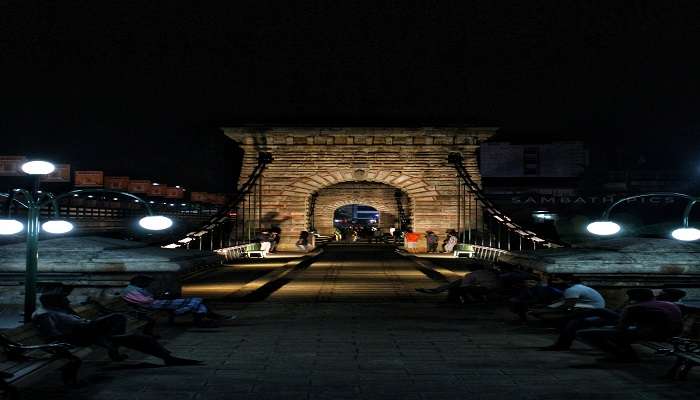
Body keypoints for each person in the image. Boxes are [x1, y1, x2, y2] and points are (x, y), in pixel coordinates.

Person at [33, 289, 202, 366]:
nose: (68, 302)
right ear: (56, 301)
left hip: (88, 332)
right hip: (80, 336)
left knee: (138, 337)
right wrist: (89, 334)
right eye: (65, 300)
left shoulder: (57, 310)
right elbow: (54, 335)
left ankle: (167, 357)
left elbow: (74, 321)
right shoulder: (46, 314)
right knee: (122, 323)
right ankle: (167, 358)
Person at [576, 288, 683, 361]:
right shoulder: (670, 304)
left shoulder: (632, 308)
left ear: (632, 298)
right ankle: (626, 352)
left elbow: (621, 328)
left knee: (584, 333)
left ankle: (623, 355)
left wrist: (607, 327)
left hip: (650, 334)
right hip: (673, 333)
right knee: (612, 327)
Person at [121, 275, 234, 326]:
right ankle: (202, 317)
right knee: (198, 300)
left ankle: (203, 317)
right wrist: (158, 296)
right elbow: (146, 301)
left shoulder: (134, 289)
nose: (147, 285)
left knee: (198, 303)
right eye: (146, 283)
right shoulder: (130, 290)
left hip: (154, 303)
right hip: (154, 305)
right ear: (139, 282)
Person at [416, 265, 504, 303]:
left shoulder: (471, 275)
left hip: (484, 288)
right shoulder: (489, 272)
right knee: (457, 283)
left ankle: (443, 294)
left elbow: (464, 286)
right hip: (495, 287)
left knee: (455, 287)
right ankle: (438, 290)